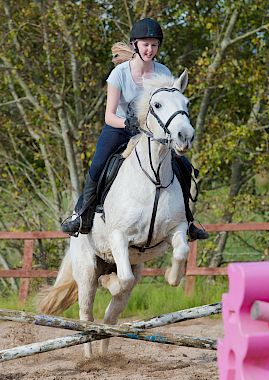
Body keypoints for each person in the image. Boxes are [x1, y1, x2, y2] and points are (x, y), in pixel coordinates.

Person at [61, 17, 208, 241]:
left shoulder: (163, 73)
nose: (150, 49)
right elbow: (109, 116)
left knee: (185, 166)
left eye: (154, 45)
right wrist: (127, 123)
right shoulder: (119, 74)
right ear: (135, 46)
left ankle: (187, 221)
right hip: (120, 128)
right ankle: (82, 215)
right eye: (145, 44)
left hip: (152, 133)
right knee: (99, 164)